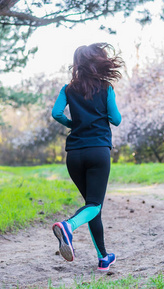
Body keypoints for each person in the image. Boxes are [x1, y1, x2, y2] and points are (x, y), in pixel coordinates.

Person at [51, 43, 123, 271]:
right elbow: (117, 119)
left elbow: (55, 113)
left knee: (92, 206)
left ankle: (103, 257)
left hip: (74, 154)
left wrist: (73, 124)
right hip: (98, 151)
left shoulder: (68, 88)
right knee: (94, 204)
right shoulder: (106, 88)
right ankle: (68, 226)